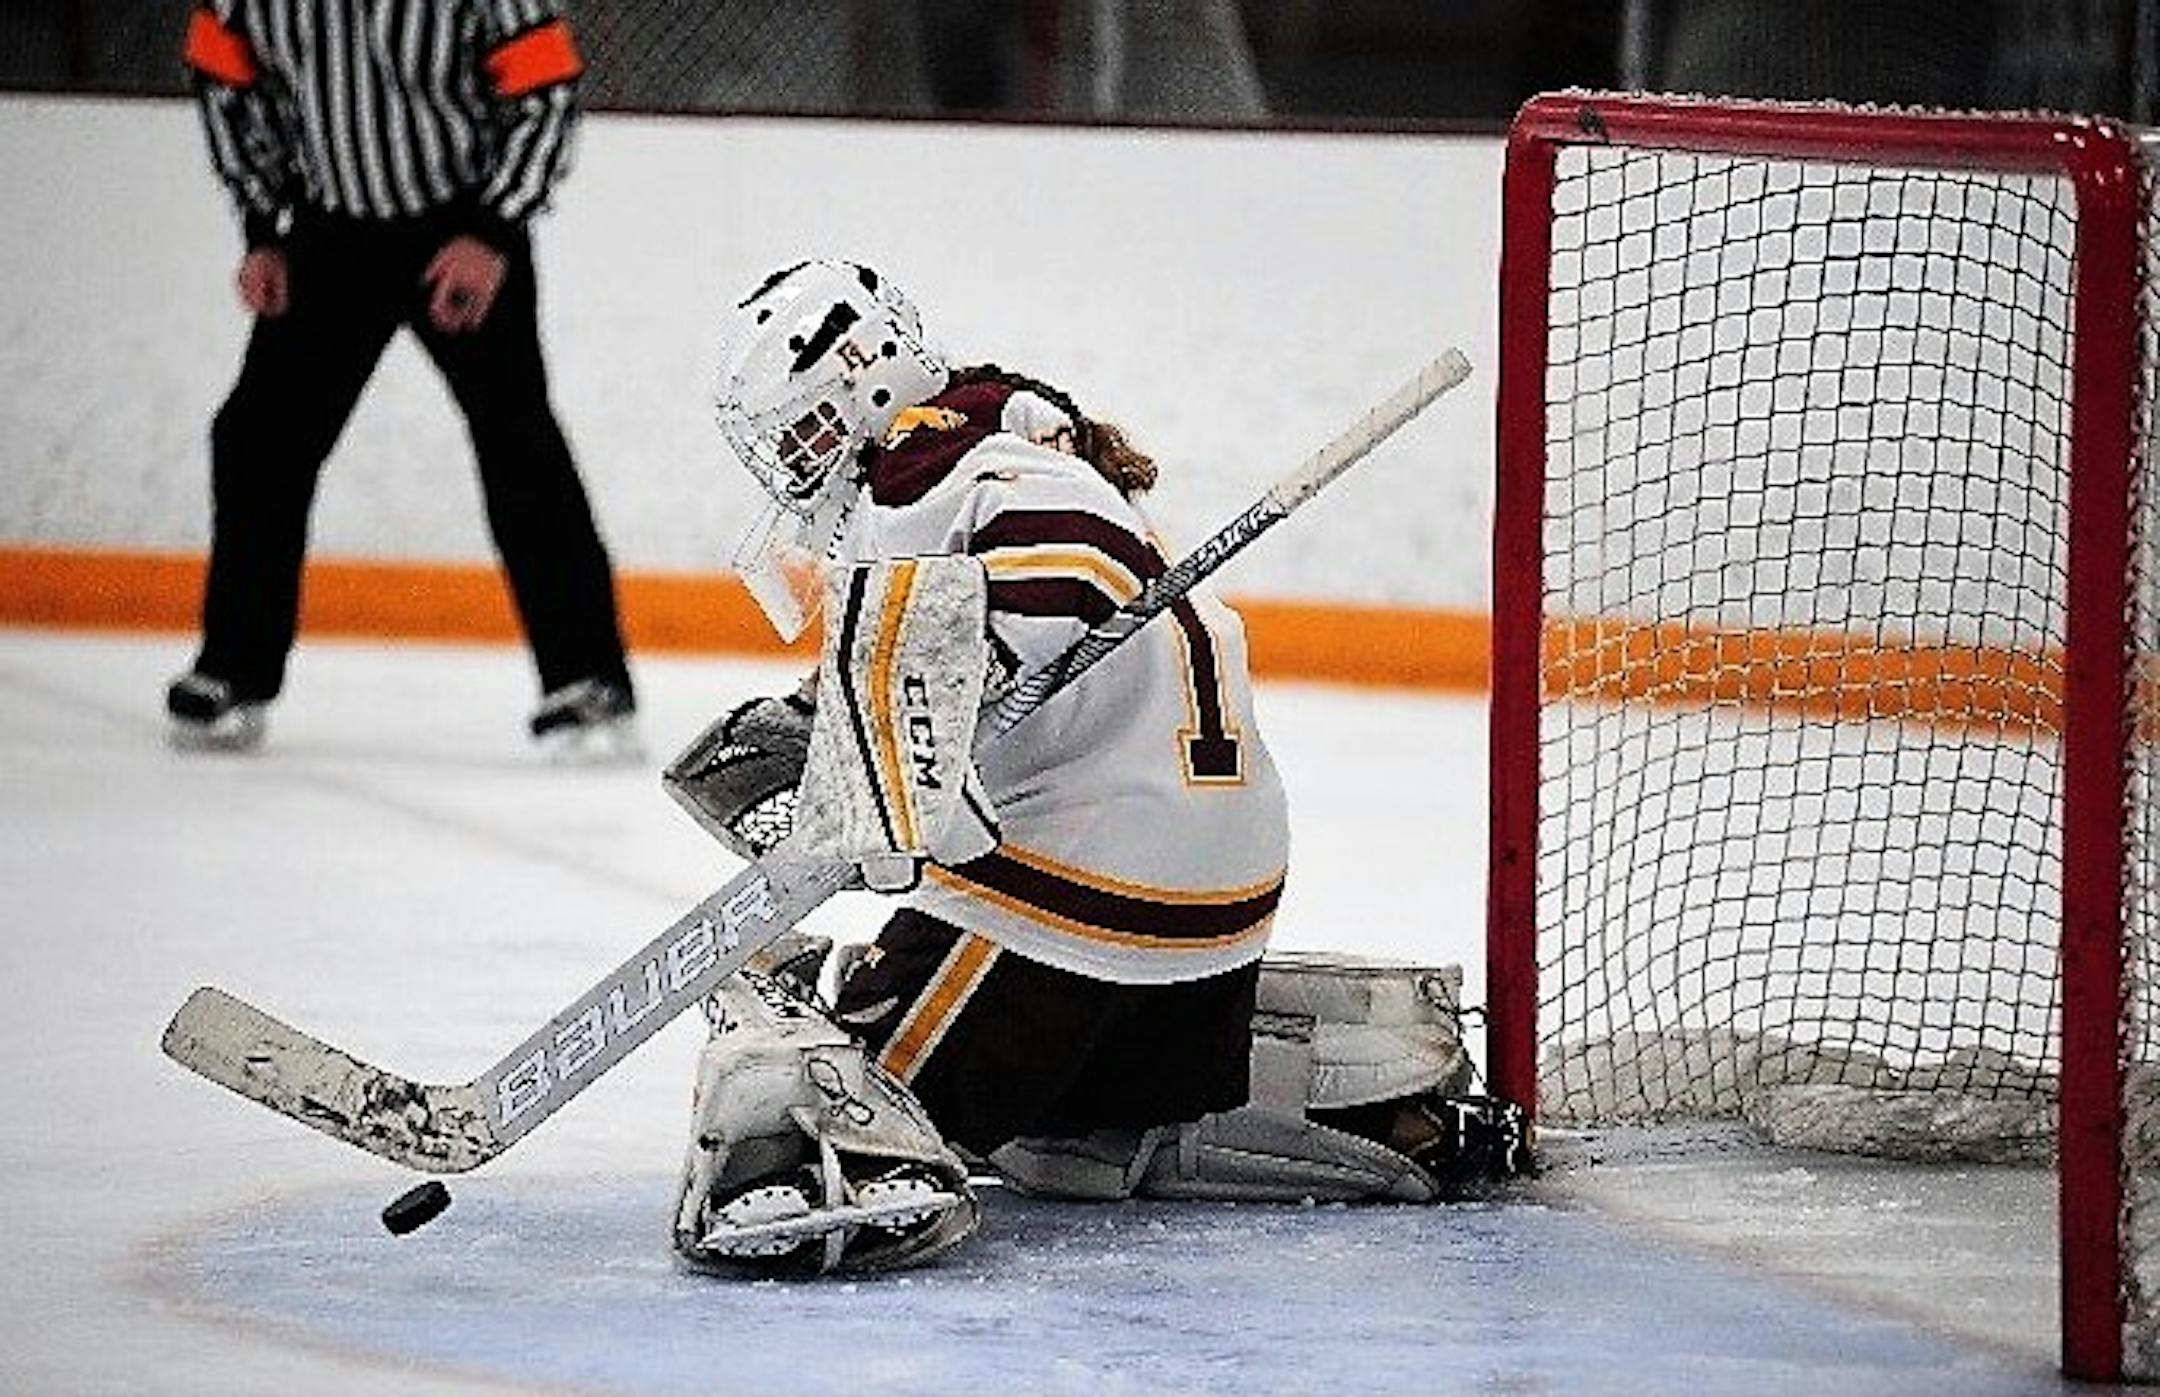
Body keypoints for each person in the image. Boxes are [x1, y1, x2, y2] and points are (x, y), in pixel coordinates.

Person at [660, 260, 1521, 1276]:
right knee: (1056, 1143)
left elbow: (1066, 568)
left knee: (809, 1053)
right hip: (1208, 915)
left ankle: (872, 1105)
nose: (797, 461)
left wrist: (918, 712)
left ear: (867, 380)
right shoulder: (1006, 455)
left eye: (805, 427)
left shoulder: (926, 466)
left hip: (1081, 905)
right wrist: (848, 724)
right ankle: (1373, 1114)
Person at [170, 0, 637, 759]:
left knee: (517, 442)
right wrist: (261, 227)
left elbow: (546, 88)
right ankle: (233, 671)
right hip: (327, 233)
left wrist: (492, 232)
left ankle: (589, 680)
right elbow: (224, 82)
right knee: (258, 439)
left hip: (460, 226)